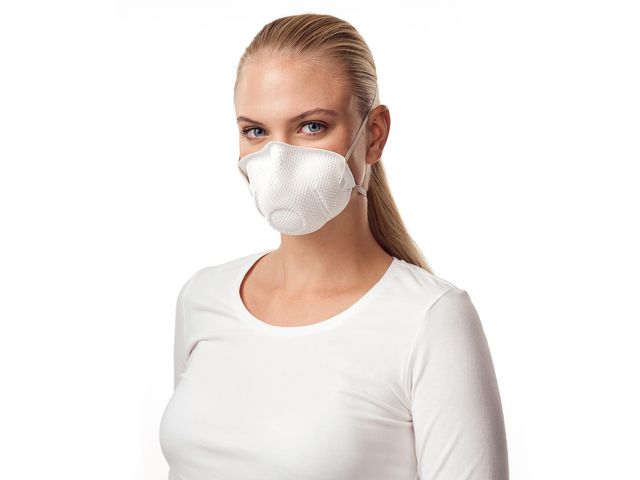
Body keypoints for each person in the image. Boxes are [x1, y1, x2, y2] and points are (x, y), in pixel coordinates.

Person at [159, 13, 509, 480]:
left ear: (374, 135)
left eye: (311, 126)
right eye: (256, 131)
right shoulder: (203, 297)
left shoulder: (430, 319)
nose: (278, 159)